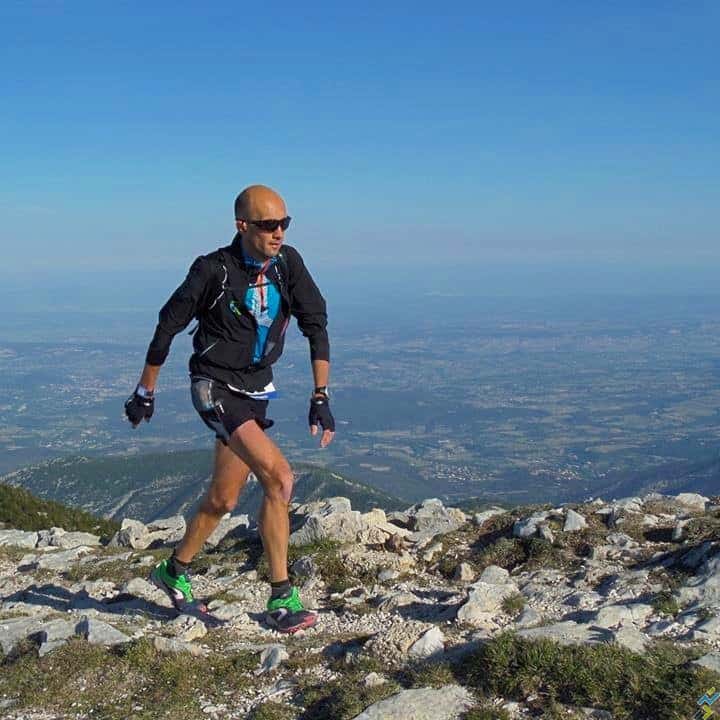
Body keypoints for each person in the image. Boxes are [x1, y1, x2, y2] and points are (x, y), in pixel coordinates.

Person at [124, 184, 335, 633]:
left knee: (224, 499)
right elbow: (168, 326)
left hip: (257, 390)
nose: (278, 232)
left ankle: (173, 571)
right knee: (279, 479)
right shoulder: (212, 271)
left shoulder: (287, 264)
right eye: (267, 225)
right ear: (242, 226)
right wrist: (146, 390)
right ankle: (281, 598)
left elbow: (315, 324)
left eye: (284, 223)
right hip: (214, 386)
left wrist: (321, 394)